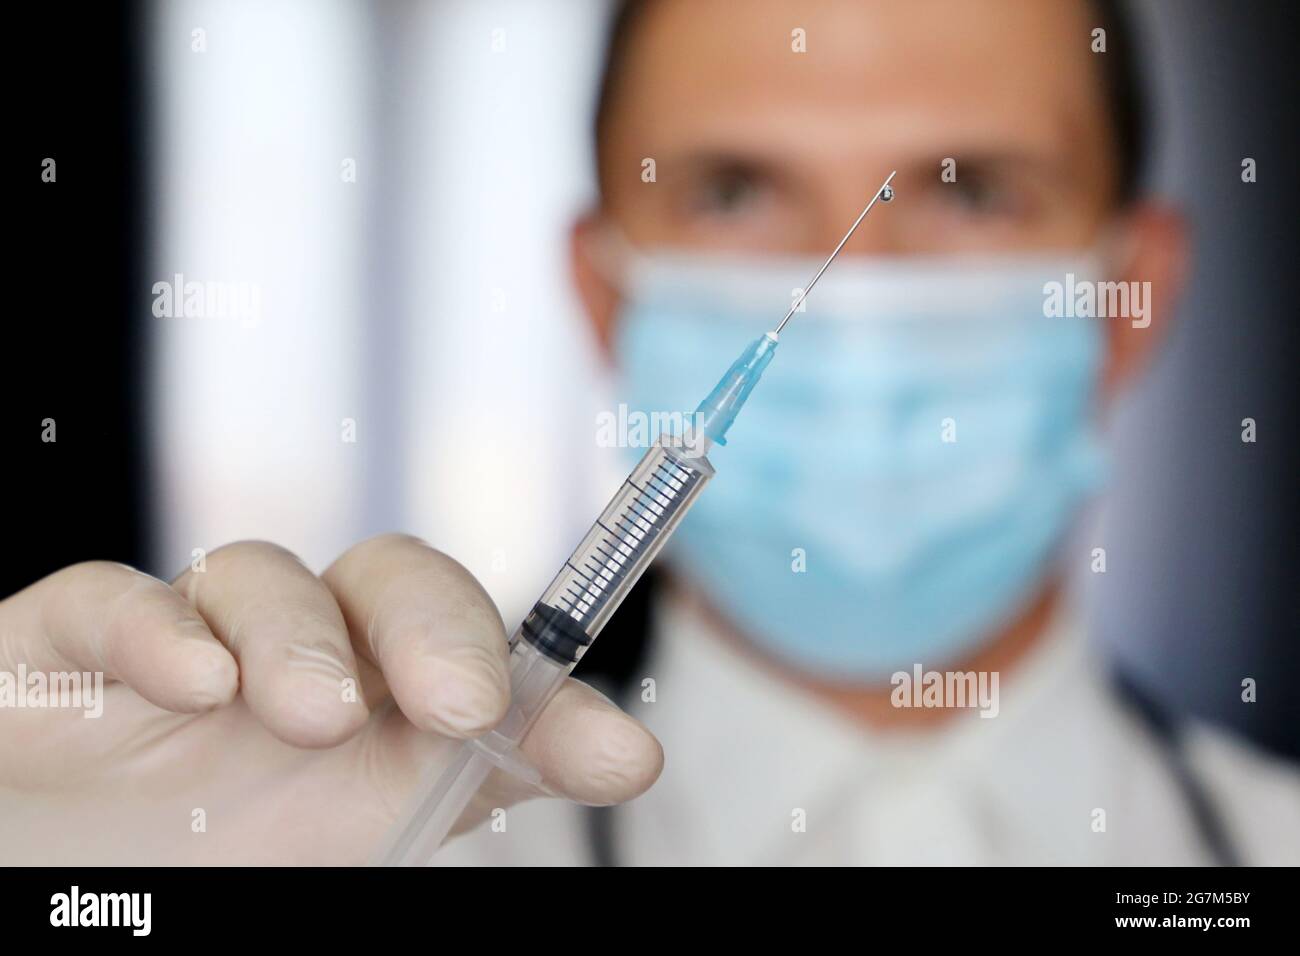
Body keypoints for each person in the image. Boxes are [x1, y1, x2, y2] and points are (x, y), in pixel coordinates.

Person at [1, 0, 1295, 866]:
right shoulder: (372, 843)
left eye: (973, 190)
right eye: (736, 190)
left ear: (1136, 301)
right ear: (602, 291)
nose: (844, 290)